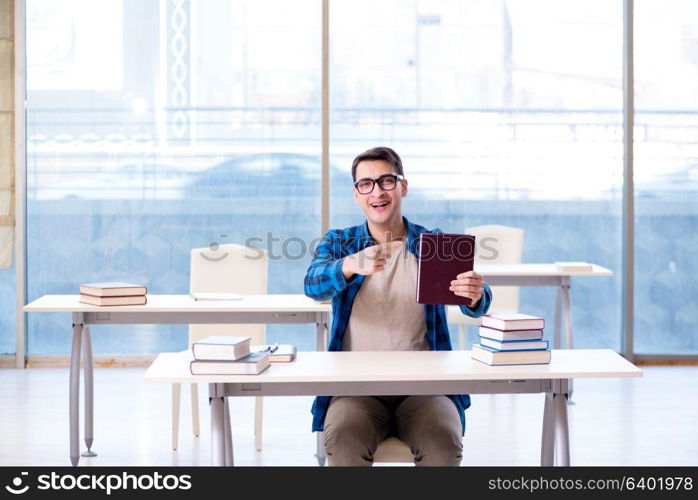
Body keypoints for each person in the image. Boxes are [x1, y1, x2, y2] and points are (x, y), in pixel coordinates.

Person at [303, 146, 492, 466]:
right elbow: (312, 285)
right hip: (356, 389)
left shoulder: (432, 243)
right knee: (345, 439)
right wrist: (350, 265)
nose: (377, 191)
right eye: (366, 184)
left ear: (403, 186)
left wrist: (475, 293)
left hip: (424, 389)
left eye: (386, 181)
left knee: (443, 443)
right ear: (356, 194)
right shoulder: (340, 243)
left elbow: (477, 303)